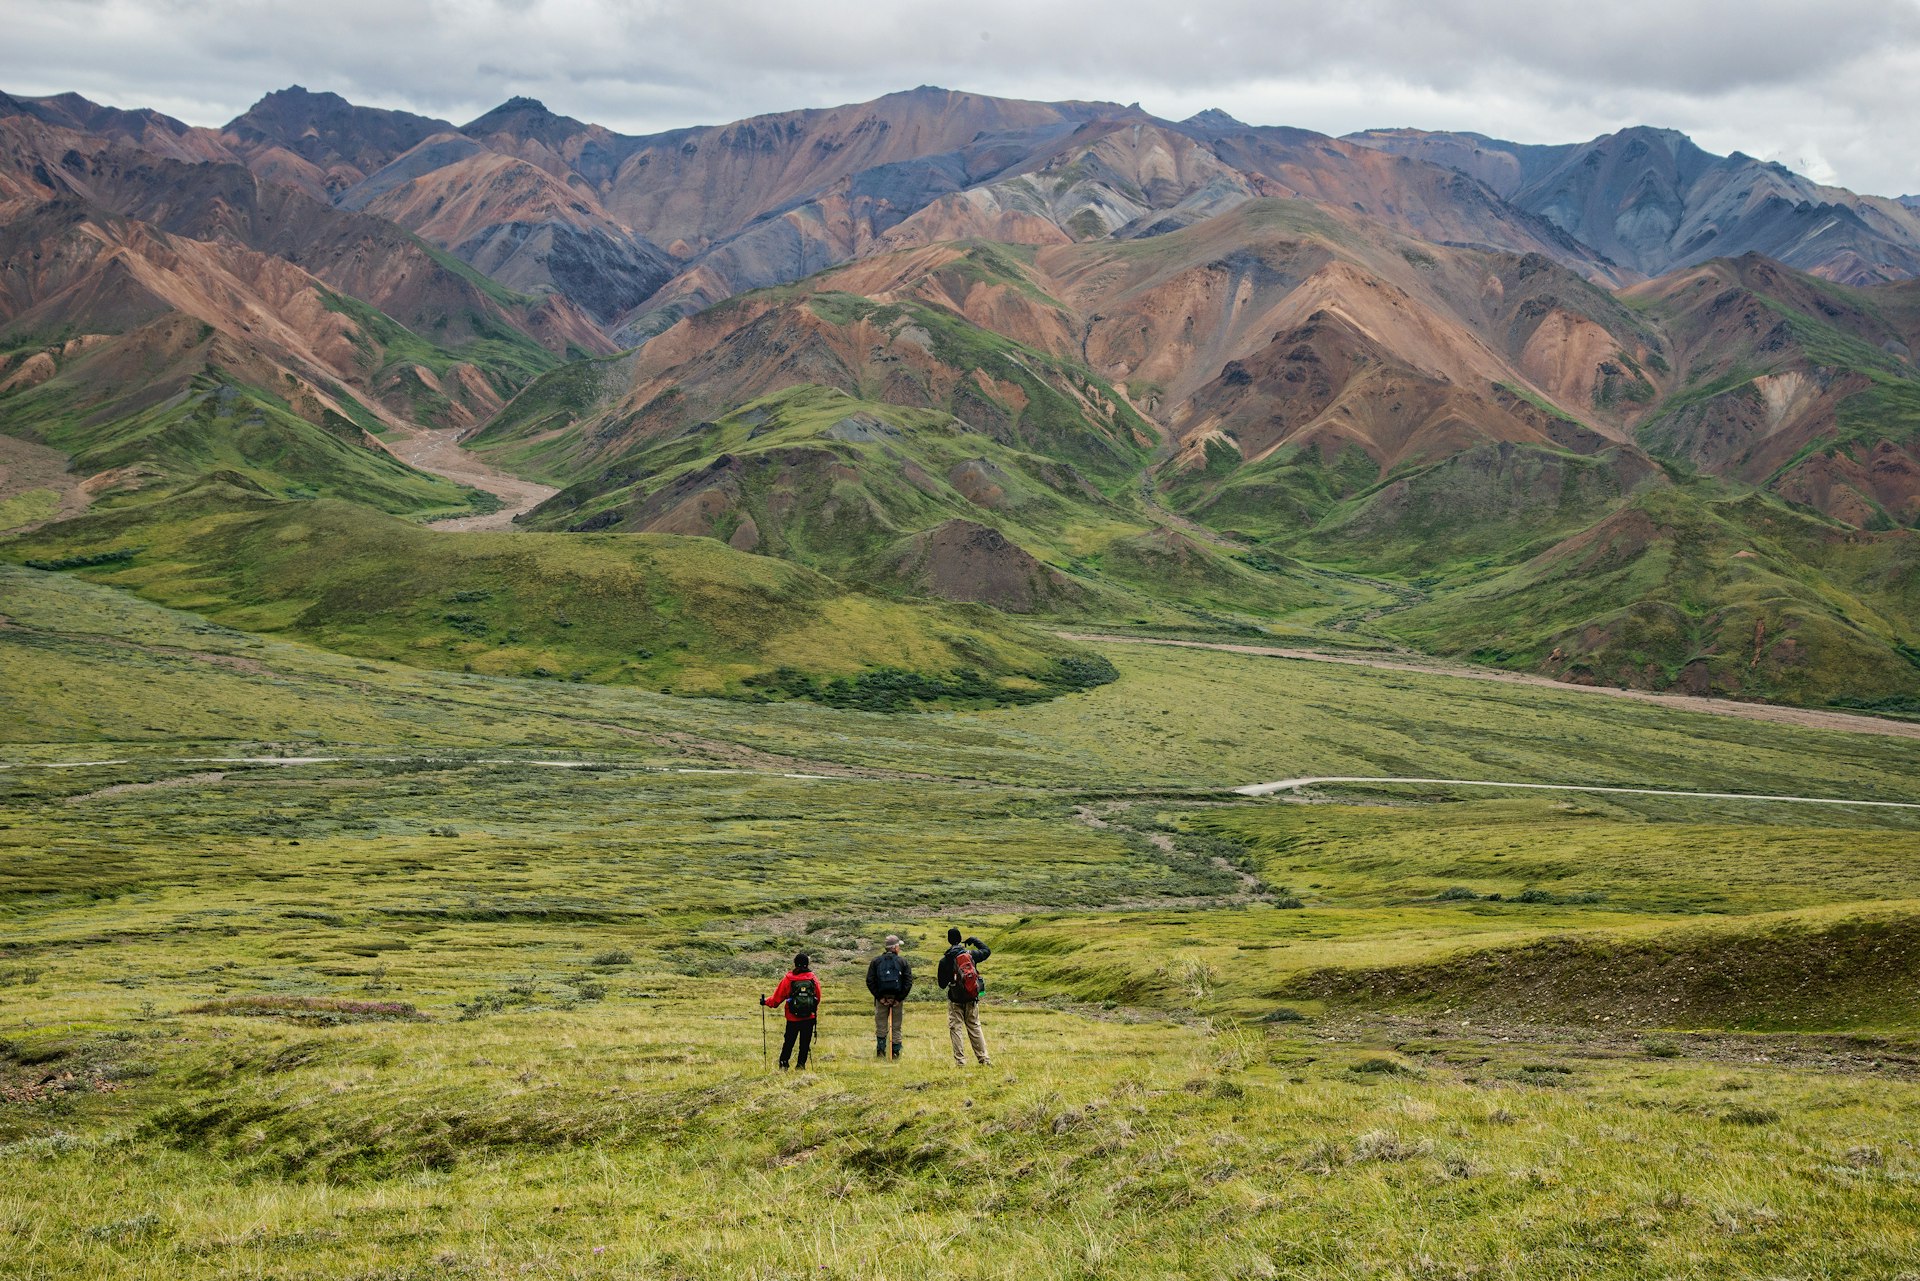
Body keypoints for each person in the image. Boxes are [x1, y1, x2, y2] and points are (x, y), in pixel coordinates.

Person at [937, 927, 991, 1067]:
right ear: (960, 939)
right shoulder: (971, 955)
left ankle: (960, 1062)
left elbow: (942, 985)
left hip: (955, 1000)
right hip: (972, 998)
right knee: (975, 1027)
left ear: (949, 940)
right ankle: (984, 1059)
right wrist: (974, 940)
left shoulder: (945, 960)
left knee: (956, 1029)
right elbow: (987, 951)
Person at [761, 952, 822, 1071]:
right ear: (807, 964)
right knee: (804, 1043)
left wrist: (765, 1001)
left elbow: (776, 1000)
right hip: (809, 1018)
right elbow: (818, 998)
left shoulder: (788, 979)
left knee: (789, 1042)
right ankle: (801, 1066)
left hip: (792, 1018)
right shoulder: (813, 978)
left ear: (795, 964)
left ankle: (784, 1065)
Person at [865, 934, 915, 1060]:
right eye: (898, 946)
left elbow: (870, 981)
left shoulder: (876, 961)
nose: (899, 948)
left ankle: (881, 1052)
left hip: (881, 999)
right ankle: (895, 1054)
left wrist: (879, 997)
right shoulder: (903, 961)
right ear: (894, 947)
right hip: (897, 998)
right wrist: (899, 998)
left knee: (881, 1026)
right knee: (896, 1026)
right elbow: (908, 982)